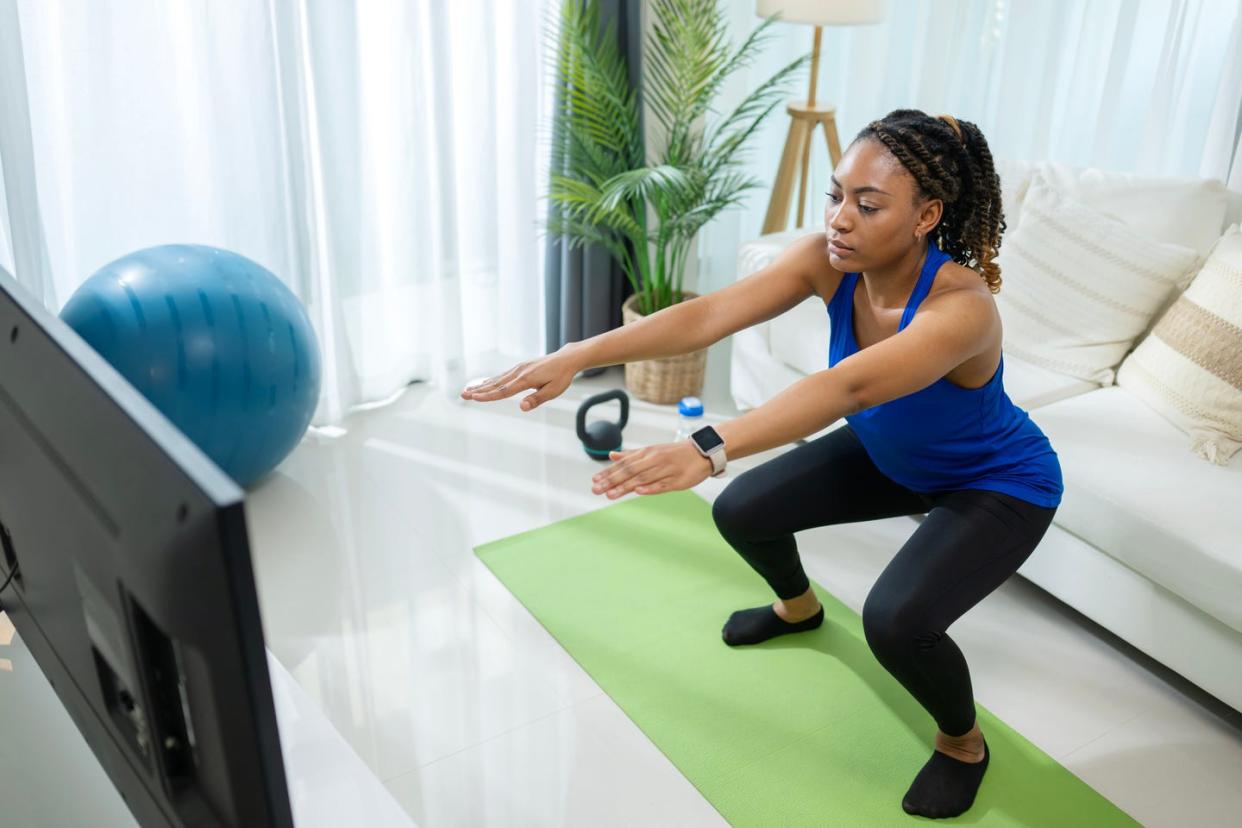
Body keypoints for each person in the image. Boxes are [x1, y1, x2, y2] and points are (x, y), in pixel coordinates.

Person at [461, 108, 1061, 820]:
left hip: (994, 481)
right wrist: (578, 354)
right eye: (836, 194)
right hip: (893, 454)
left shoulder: (962, 307)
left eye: (868, 206)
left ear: (927, 214)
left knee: (897, 622)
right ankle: (798, 608)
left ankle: (964, 745)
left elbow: (848, 387)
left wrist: (705, 446)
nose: (840, 218)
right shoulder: (828, 261)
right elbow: (710, 315)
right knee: (744, 510)